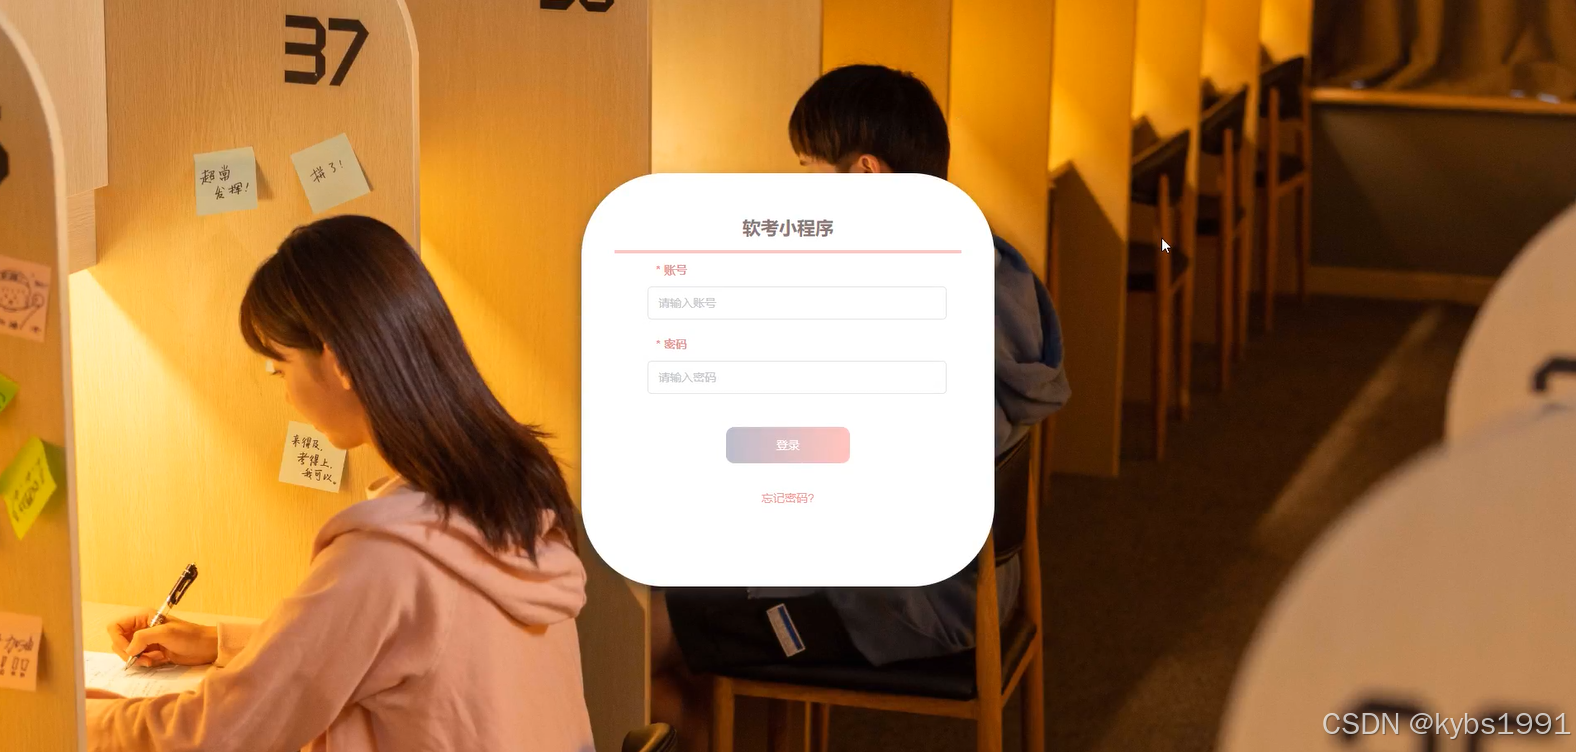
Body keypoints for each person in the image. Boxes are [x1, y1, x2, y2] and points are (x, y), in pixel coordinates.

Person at [649, 64, 1070, 751]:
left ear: (866, 174)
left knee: (649, 630)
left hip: (909, 601)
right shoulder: (989, 261)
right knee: (684, 627)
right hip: (979, 580)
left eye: (809, 169)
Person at [86, 216, 595, 752]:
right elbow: (385, 646)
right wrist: (218, 642)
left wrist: (77, 715)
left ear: (340, 362)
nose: (286, 395)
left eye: (279, 368)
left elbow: (214, 736)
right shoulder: (515, 485)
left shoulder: (388, 556)